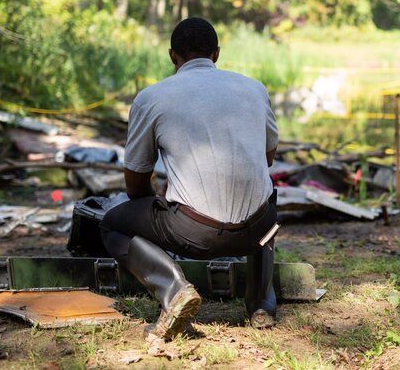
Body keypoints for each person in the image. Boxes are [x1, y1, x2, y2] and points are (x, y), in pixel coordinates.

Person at [100, 17, 280, 340]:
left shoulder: (152, 98)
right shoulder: (254, 89)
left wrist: (161, 203)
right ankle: (261, 304)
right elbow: (266, 159)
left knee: (112, 224)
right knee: (268, 195)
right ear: (217, 53)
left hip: (194, 234)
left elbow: (135, 185)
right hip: (256, 230)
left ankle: (175, 290)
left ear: (173, 56)